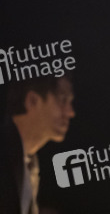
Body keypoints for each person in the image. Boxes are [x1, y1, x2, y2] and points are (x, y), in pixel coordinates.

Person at [0, 75, 76, 214]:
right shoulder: (5, 155)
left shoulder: (28, 162)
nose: (70, 112)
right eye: (63, 100)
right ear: (32, 101)